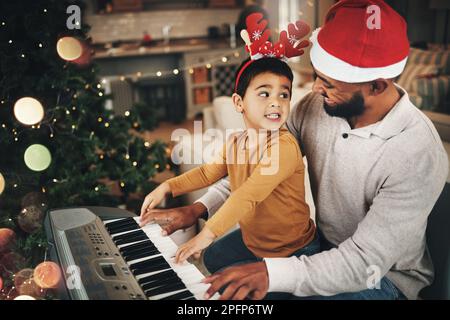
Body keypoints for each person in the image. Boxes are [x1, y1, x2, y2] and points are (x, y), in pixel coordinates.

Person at [140, 0, 449, 300]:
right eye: (317, 76)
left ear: (377, 86)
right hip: (320, 242)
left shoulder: (416, 153)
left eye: (328, 83)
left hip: (381, 275)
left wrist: (272, 274)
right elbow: (257, 170)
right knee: (218, 258)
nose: (315, 89)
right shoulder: (317, 106)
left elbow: (361, 262)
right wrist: (199, 208)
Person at [140, 56, 320, 270]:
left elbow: (248, 195)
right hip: (255, 240)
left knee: (244, 292)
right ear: (238, 102)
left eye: (284, 94)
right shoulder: (235, 141)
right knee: (211, 259)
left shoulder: (284, 147)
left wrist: (206, 234)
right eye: (264, 93)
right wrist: (168, 186)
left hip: (293, 250)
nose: (276, 102)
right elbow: (207, 174)